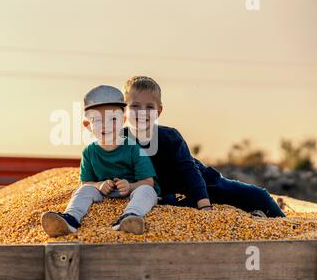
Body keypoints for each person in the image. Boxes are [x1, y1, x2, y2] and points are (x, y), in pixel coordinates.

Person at [122, 76, 285, 218]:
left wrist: (205, 205)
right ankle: (254, 215)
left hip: (201, 185)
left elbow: (190, 171)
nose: (142, 112)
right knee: (169, 201)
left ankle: (286, 224)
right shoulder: (117, 141)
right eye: (135, 106)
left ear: (158, 111)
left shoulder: (170, 137)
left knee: (258, 196)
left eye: (149, 107)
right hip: (166, 196)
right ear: (124, 110)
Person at [41, 85, 161, 237]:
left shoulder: (133, 149)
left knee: (147, 191)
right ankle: (70, 219)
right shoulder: (89, 152)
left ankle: (131, 217)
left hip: (133, 191)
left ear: (123, 120)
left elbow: (148, 181)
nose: (106, 125)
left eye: (113, 119)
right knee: (83, 191)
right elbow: (86, 183)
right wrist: (99, 186)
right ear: (88, 125)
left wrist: (130, 186)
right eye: (97, 120)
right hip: (104, 194)